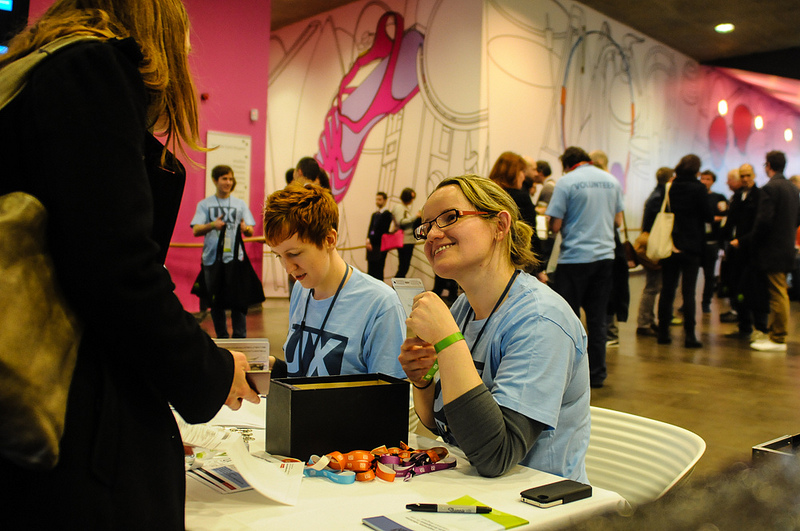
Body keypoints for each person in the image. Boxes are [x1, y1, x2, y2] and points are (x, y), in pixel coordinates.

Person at [0, 1, 259, 528]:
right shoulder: (92, 67)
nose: (186, 53)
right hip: (68, 429)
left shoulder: (30, 75)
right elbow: (117, 272)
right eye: (183, 37)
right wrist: (209, 371)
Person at [400, 175, 590, 481]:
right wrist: (423, 380)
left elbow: (496, 455)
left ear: (500, 226)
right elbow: (444, 427)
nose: (433, 233)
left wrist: (448, 341)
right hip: (475, 489)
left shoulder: (541, 319)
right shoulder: (463, 308)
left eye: (449, 217)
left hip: (538, 506)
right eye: (426, 226)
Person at [264, 183, 406, 378]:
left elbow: (387, 399)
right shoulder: (301, 289)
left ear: (329, 240)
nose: (288, 268)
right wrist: (270, 365)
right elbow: (304, 373)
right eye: (278, 256)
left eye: (294, 254)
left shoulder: (380, 304)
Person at [546, 147, 623, 388]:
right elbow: (618, 221)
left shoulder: (567, 182)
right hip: (604, 258)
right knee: (598, 318)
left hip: (574, 259)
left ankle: (569, 375)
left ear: (566, 164)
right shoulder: (611, 181)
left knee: (568, 318)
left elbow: (555, 226)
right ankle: (597, 374)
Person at [739, 151, 800, 351]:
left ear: (768, 166)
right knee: (779, 290)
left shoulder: (770, 188)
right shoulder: (792, 188)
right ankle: (776, 333)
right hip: (786, 246)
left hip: (772, 249)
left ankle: (778, 337)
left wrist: (752, 240)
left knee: (777, 292)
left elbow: (763, 221)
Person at [191, 165, 257, 338]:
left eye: (230, 178)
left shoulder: (240, 204)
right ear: (215, 180)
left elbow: (250, 229)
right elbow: (196, 230)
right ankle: (222, 338)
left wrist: (245, 228)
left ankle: (240, 338)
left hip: (235, 259)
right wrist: (213, 225)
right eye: (224, 178)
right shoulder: (205, 204)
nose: (228, 182)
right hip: (212, 260)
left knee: (238, 301)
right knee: (216, 301)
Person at [656, 154, 710, 348]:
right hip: (692, 245)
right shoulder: (699, 189)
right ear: (696, 170)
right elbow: (708, 215)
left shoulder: (670, 187)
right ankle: (689, 335)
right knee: (688, 291)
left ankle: (663, 332)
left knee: (667, 289)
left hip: (671, 243)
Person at [722, 163, 766, 340]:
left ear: (754, 175)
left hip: (752, 250)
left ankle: (760, 326)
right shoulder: (738, 196)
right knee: (736, 287)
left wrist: (742, 241)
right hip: (736, 250)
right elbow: (731, 221)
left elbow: (760, 226)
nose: (746, 179)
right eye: (743, 176)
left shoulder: (760, 196)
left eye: (748, 175)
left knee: (755, 289)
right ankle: (744, 325)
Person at [488, 151, 542, 277]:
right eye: (522, 172)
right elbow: (531, 233)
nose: (524, 176)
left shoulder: (487, 195)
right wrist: (539, 268)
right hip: (513, 262)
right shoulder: (520, 197)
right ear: (513, 173)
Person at [634, 167, 673, 336]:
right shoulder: (660, 198)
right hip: (655, 245)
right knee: (652, 285)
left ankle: (648, 320)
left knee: (653, 284)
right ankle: (644, 322)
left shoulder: (654, 195)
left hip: (651, 243)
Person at [698, 170, 728, 313]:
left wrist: (712, 219)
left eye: (708, 179)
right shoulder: (695, 197)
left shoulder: (719, 198)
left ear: (713, 181)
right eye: (702, 178)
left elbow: (725, 217)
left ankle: (706, 302)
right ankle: (686, 303)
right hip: (696, 242)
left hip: (712, 242)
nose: (705, 181)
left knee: (709, 275)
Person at [389, 187, 421, 278]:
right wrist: (415, 216)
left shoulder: (404, 208)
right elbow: (401, 222)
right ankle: (396, 287)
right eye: (411, 197)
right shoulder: (399, 207)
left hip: (408, 240)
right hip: (404, 241)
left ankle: (397, 287)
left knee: (404, 267)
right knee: (403, 267)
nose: (412, 200)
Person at [365, 191, 394, 280]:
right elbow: (370, 228)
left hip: (380, 245)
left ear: (385, 200)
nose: (378, 201)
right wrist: (368, 239)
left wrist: (372, 240)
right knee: (370, 270)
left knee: (378, 270)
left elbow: (383, 230)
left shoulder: (387, 214)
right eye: (377, 199)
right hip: (371, 245)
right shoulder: (375, 214)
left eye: (380, 199)